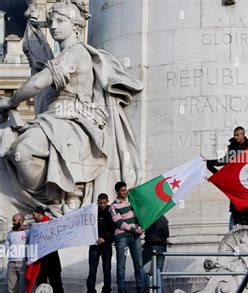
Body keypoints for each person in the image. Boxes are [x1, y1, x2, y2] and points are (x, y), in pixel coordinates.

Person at [0, 1, 142, 216]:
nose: (54, 26)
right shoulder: (61, 55)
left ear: (76, 26)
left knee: (23, 150)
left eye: (60, 21)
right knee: (17, 150)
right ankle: (53, 197)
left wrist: (11, 102)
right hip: (54, 117)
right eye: (52, 21)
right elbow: (39, 65)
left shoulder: (75, 53)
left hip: (73, 117)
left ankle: (59, 195)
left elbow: (39, 82)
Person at [206, 126, 248, 229]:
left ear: (243, 135)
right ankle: (237, 224)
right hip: (236, 180)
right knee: (235, 203)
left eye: (237, 135)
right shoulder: (232, 147)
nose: (235, 137)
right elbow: (225, 160)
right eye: (234, 135)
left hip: (247, 180)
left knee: (247, 205)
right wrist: (209, 162)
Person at [111, 182, 147, 293]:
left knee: (139, 264)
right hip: (122, 238)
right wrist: (135, 230)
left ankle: (141, 289)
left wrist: (136, 192)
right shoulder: (113, 206)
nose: (125, 192)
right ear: (117, 192)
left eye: (126, 190)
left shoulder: (132, 202)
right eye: (122, 190)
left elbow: (144, 202)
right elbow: (119, 222)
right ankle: (122, 290)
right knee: (121, 265)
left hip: (135, 237)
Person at [32, 206, 67, 293]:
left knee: (54, 281)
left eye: (34, 214)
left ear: (39, 214)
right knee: (43, 280)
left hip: (50, 256)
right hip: (42, 257)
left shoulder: (51, 223)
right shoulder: (38, 225)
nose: (33, 217)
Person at [86, 193, 115, 293]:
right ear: (98, 202)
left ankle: (107, 290)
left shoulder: (111, 212)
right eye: (100, 203)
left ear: (107, 201)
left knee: (107, 269)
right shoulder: (93, 212)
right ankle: (90, 291)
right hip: (94, 244)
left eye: (104, 203)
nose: (102, 205)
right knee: (92, 270)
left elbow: (113, 229)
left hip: (106, 245)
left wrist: (105, 238)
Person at [5, 213, 32, 293]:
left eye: (14, 220)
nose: (12, 222)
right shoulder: (10, 233)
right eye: (12, 220)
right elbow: (6, 247)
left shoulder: (28, 233)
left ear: (20, 221)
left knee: (25, 288)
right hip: (11, 264)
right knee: (12, 288)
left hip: (23, 263)